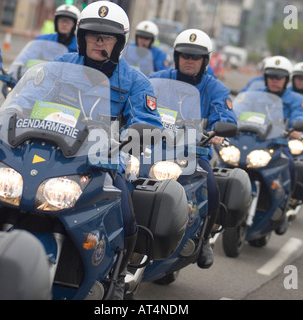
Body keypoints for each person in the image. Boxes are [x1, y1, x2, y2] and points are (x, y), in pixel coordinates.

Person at [53, 1, 163, 299]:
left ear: (119, 43)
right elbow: (28, 103)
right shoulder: (61, 66)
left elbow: (149, 122)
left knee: (126, 214)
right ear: (81, 37)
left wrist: (125, 142)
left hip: (105, 162)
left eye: (106, 37)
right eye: (92, 35)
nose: (98, 41)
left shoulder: (135, 81)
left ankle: (116, 276)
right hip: (55, 155)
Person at [150, 29, 237, 269]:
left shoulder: (215, 88)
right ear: (176, 56)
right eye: (185, 55)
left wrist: (218, 131)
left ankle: (204, 238)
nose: (190, 60)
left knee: (211, 187)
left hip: (194, 154)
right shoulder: (158, 78)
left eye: (196, 57)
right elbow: (140, 103)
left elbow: (225, 114)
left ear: (205, 60)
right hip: (153, 148)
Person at [260, 55, 303, 234]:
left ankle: (284, 206)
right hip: (256, 144)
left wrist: (297, 128)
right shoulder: (257, 94)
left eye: (279, 77)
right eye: (271, 76)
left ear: (286, 79)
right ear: (266, 77)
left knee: (289, 163)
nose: (274, 81)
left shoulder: (296, 99)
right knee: (224, 164)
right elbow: (239, 112)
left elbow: (301, 116)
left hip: (279, 145)